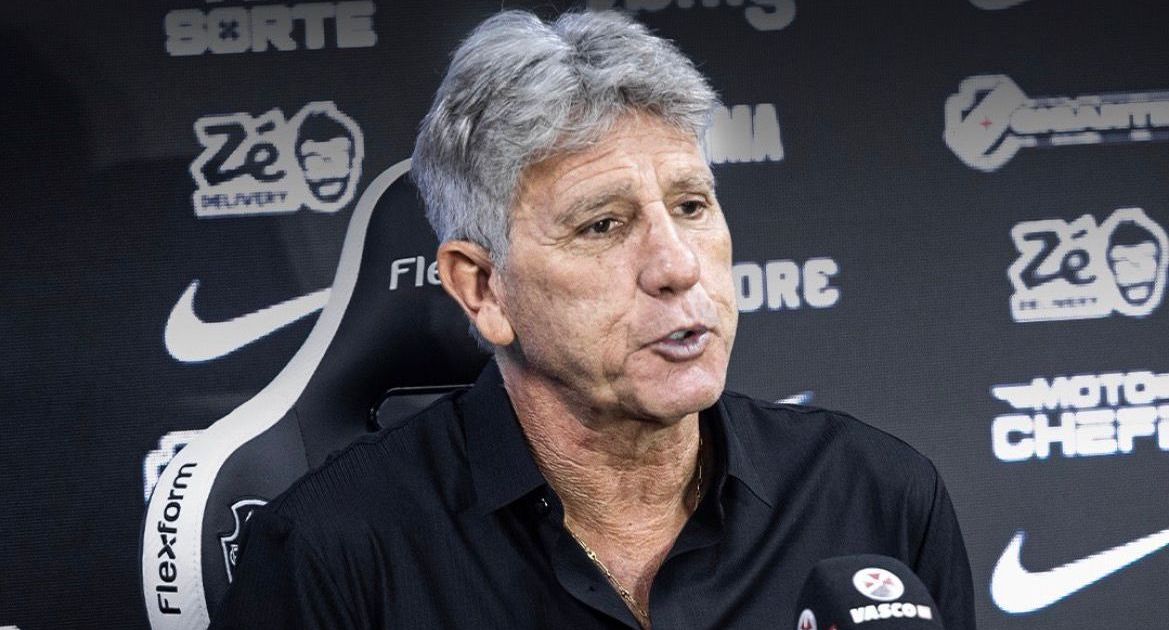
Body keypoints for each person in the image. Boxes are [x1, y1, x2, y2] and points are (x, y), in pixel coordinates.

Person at [211, 10, 976, 629]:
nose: (676, 265)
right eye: (602, 224)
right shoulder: (329, 553)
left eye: (690, 205)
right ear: (482, 289)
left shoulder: (876, 500)